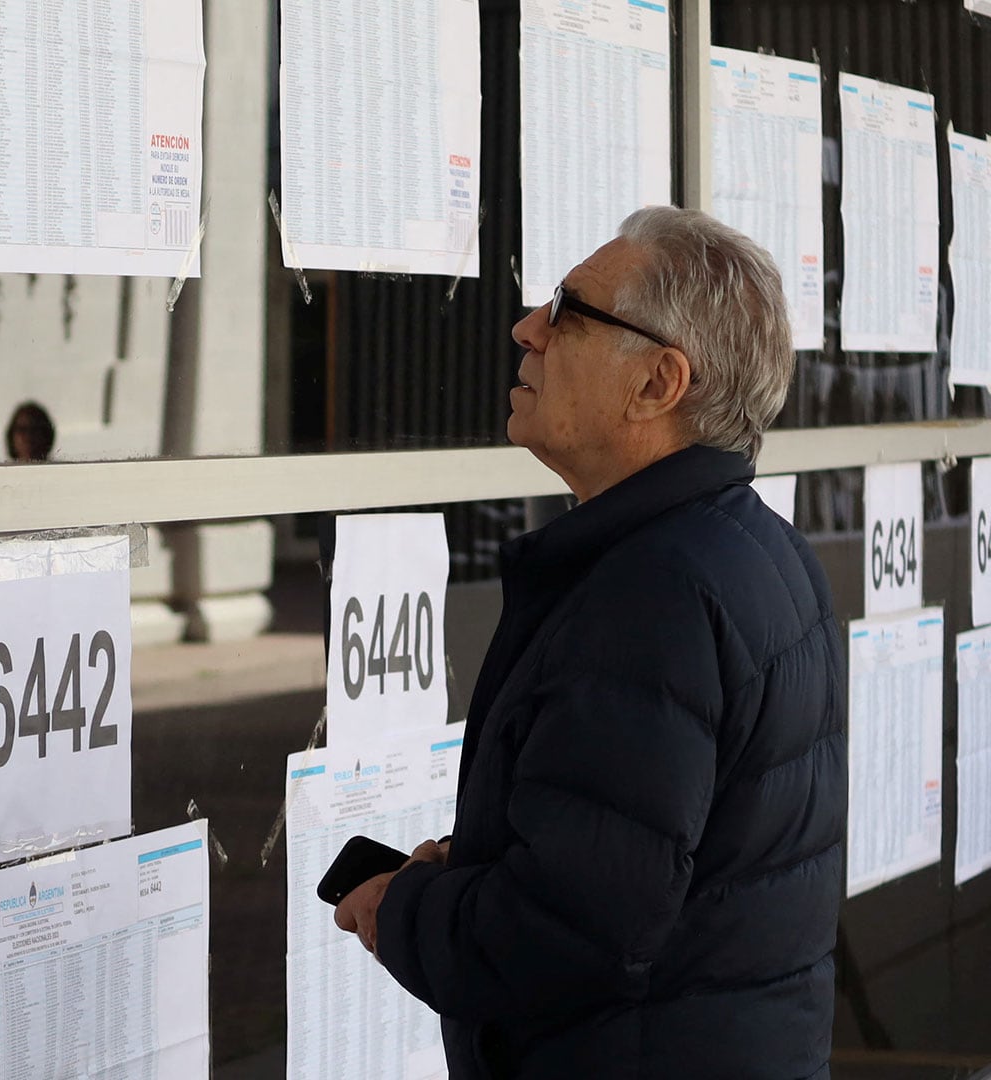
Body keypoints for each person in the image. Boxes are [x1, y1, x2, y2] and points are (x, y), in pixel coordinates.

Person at [336, 206, 845, 1079]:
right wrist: (489, 858)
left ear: (657, 383)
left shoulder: (655, 590)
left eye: (569, 311)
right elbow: (666, 858)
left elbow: (567, 935)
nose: (526, 328)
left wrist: (401, 905)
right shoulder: (747, 547)